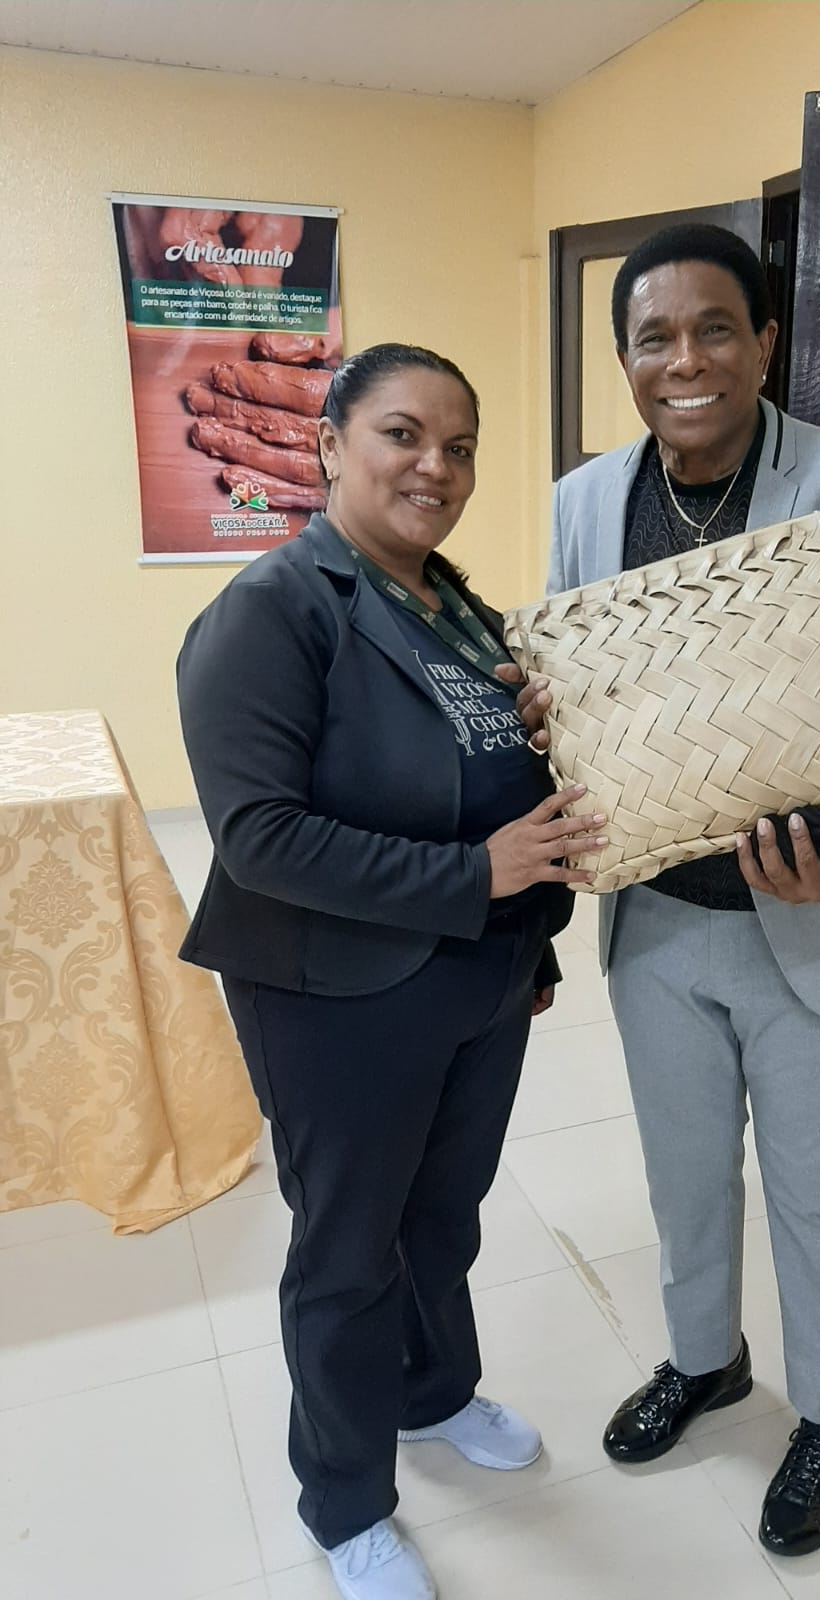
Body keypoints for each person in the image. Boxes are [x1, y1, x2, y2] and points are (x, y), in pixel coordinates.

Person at [177, 342, 606, 1600]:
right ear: (329, 446)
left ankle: (434, 1392)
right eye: (402, 435)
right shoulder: (273, 611)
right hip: (335, 994)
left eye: (459, 446)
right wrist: (478, 875)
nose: (436, 467)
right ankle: (346, 1501)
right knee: (349, 1249)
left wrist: (527, 937)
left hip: (477, 978)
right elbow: (260, 839)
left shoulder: (457, 606)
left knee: (442, 1218)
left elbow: (504, 791)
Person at [542, 226, 820, 1558]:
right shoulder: (585, 502)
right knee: (685, 1177)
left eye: (715, 327)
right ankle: (705, 1361)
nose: (686, 361)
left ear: (766, 341)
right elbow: (577, 695)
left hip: (817, 925)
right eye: (654, 338)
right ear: (625, 360)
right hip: (659, 923)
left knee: (816, 1190)